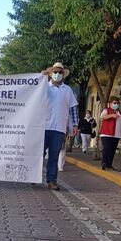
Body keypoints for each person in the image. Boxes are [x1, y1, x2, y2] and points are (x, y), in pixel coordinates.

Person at [41, 62, 79, 190]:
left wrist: (75, 124)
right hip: (44, 126)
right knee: (38, 154)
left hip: (59, 128)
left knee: (54, 156)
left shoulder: (67, 90)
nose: (57, 74)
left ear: (63, 75)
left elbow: (73, 107)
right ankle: (34, 176)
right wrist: (42, 77)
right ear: (51, 73)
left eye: (60, 72)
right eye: (55, 72)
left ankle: (51, 181)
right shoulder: (44, 86)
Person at [99, 97, 121, 170]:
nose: (116, 104)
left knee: (112, 150)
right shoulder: (106, 110)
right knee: (107, 148)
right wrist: (111, 115)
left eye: (117, 103)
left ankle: (109, 165)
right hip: (107, 133)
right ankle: (104, 163)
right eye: (114, 103)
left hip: (116, 135)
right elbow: (102, 117)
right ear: (110, 104)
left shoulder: (120, 112)